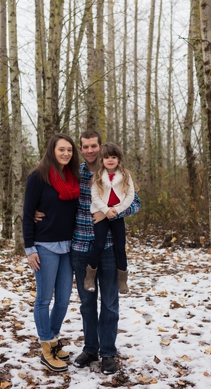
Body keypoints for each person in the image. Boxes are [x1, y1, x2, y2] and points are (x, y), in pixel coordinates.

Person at [70, 130, 141, 375]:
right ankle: (90, 348)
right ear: (81, 149)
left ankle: (108, 352)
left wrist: (113, 212)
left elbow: (136, 202)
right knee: (87, 303)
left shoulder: (118, 174)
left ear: (101, 148)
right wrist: (38, 213)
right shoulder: (74, 173)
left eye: (94, 146)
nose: (90, 150)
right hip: (80, 246)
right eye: (85, 146)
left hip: (109, 247)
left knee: (110, 303)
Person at [23, 133, 81, 373]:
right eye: (61, 150)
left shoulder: (73, 177)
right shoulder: (38, 177)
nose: (66, 153)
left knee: (64, 299)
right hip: (45, 246)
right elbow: (28, 213)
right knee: (44, 299)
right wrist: (29, 248)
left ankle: (53, 339)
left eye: (69, 150)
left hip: (68, 246)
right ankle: (46, 346)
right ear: (52, 151)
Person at [83, 143, 136, 294]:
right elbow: (95, 196)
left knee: (120, 246)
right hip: (101, 214)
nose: (110, 160)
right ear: (102, 160)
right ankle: (89, 277)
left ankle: (122, 280)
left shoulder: (125, 175)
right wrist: (106, 210)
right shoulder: (98, 176)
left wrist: (117, 210)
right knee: (99, 244)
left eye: (114, 157)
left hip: (117, 214)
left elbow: (130, 196)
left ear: (119, 159)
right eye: (106, 157)